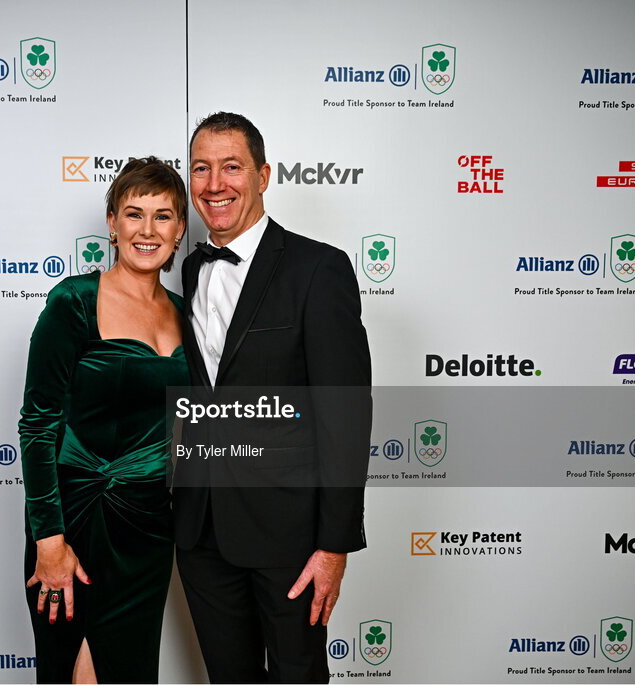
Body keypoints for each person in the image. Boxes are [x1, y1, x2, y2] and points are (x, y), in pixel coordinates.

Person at [173, 112, 373, 683]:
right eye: (202, 169)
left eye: (231, 167)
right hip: (200, 532)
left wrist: (334, 545)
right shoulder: (188, 271)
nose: (215, 185)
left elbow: (346, 417)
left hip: (290, 536)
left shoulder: (319, 269)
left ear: (263, 174)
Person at [19, 156, 188, 684]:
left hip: (150, 527)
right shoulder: (74, 301)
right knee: (74, 668)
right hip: (77, 522)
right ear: (112, 224)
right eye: (133, 214)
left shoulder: (187, 310)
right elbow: (38, 422)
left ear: (180, 230)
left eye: (163, 216)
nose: (147, 229)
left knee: (131, 671)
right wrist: (49, 540)